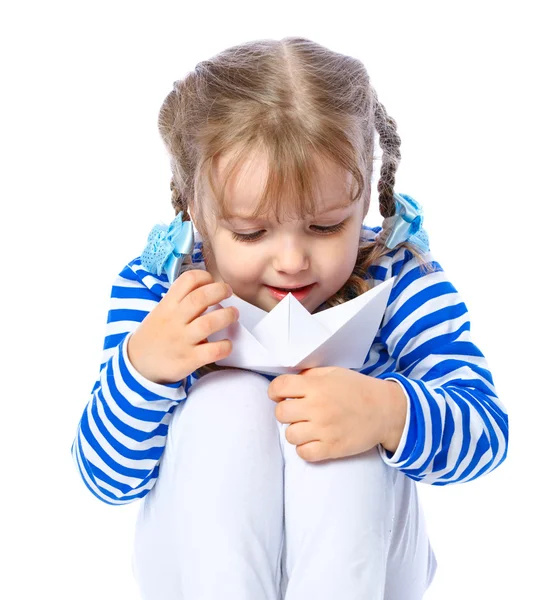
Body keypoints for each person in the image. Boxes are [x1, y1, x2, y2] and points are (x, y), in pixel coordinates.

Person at [70, 37, 509, 600]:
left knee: (336, 444)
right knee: (226, 404)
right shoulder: (162, 287)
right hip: (197, 570)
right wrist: (143, 371)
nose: (292, 261)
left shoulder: (399, 277)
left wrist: (387, 413)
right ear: (196, 213)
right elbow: (104, 480)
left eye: (327, 226)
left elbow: (486, 434)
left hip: (366, 567)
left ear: (364, 202)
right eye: (252, 233)